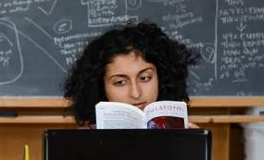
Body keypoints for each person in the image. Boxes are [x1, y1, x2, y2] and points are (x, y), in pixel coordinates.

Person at [64, 21, 199, 126]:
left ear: (162, 78)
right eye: (120, 82)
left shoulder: (184, 134)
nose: (136, 94)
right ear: (100, 87)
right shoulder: (82, 142)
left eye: (145, 78)